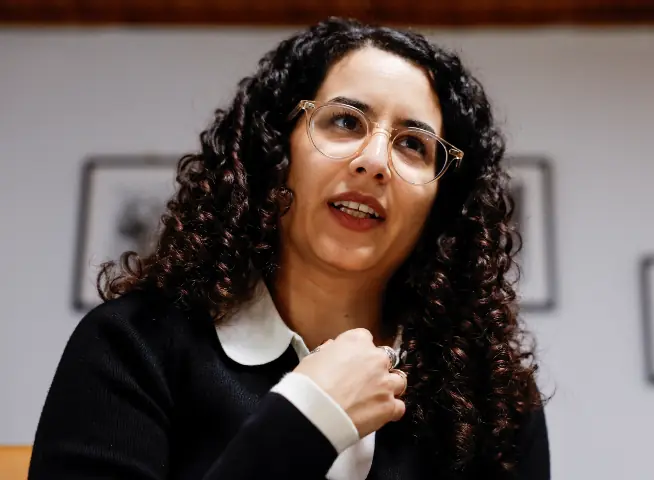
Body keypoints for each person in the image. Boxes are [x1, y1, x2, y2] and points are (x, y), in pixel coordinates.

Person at [28, 17, 550, 480]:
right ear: (276, 151)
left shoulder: (495, 399)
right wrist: (309, 417)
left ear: (442, 202)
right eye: (345, 121)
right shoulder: (133, 344)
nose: (375, 161)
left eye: (413, 144)